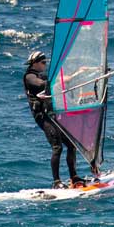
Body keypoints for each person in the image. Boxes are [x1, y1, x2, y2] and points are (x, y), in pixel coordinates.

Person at [23, 50, 85, 189]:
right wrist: (59, 81)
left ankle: (74, 177)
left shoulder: (41, 75)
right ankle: (56, 182)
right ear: (34, 63)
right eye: (43, 62)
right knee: (57, 147)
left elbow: (60, 79)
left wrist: (78, 73)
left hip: (52, 115)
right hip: (42, 116)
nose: (45, 65)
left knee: (71, 145)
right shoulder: (29, 77)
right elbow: (42, 84)